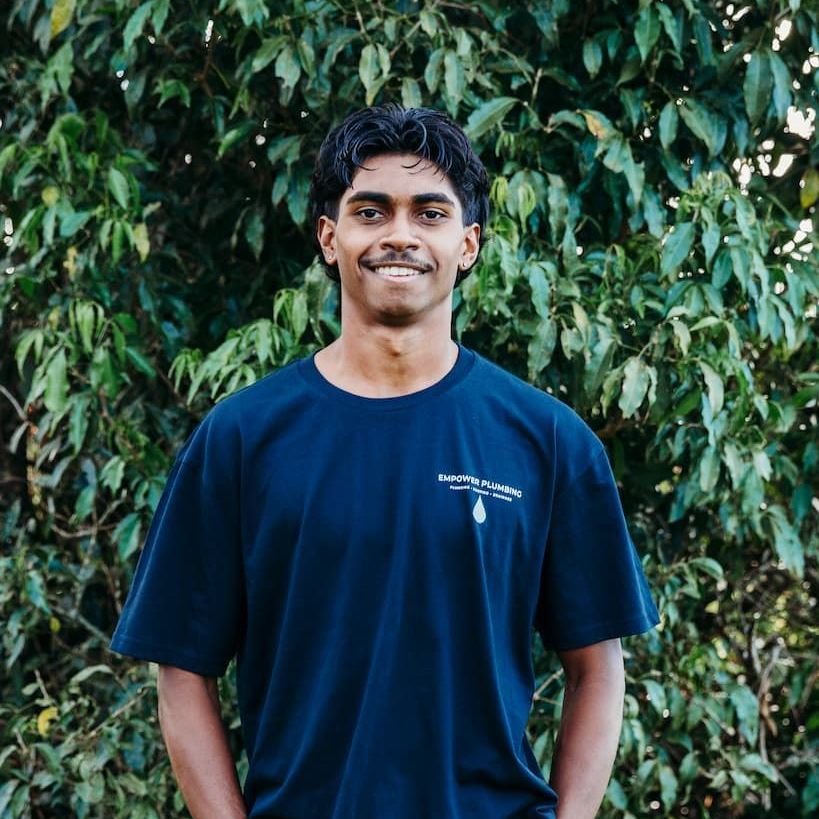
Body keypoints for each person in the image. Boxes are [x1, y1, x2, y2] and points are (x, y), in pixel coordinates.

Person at [110, 103, 661, 819]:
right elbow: (180, 670)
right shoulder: (242, 437)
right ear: (329, 236)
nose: (399, 234)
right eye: (371, 211)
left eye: (429, 213)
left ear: (467, 243)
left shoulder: (547, 440)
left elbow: (596, 666)